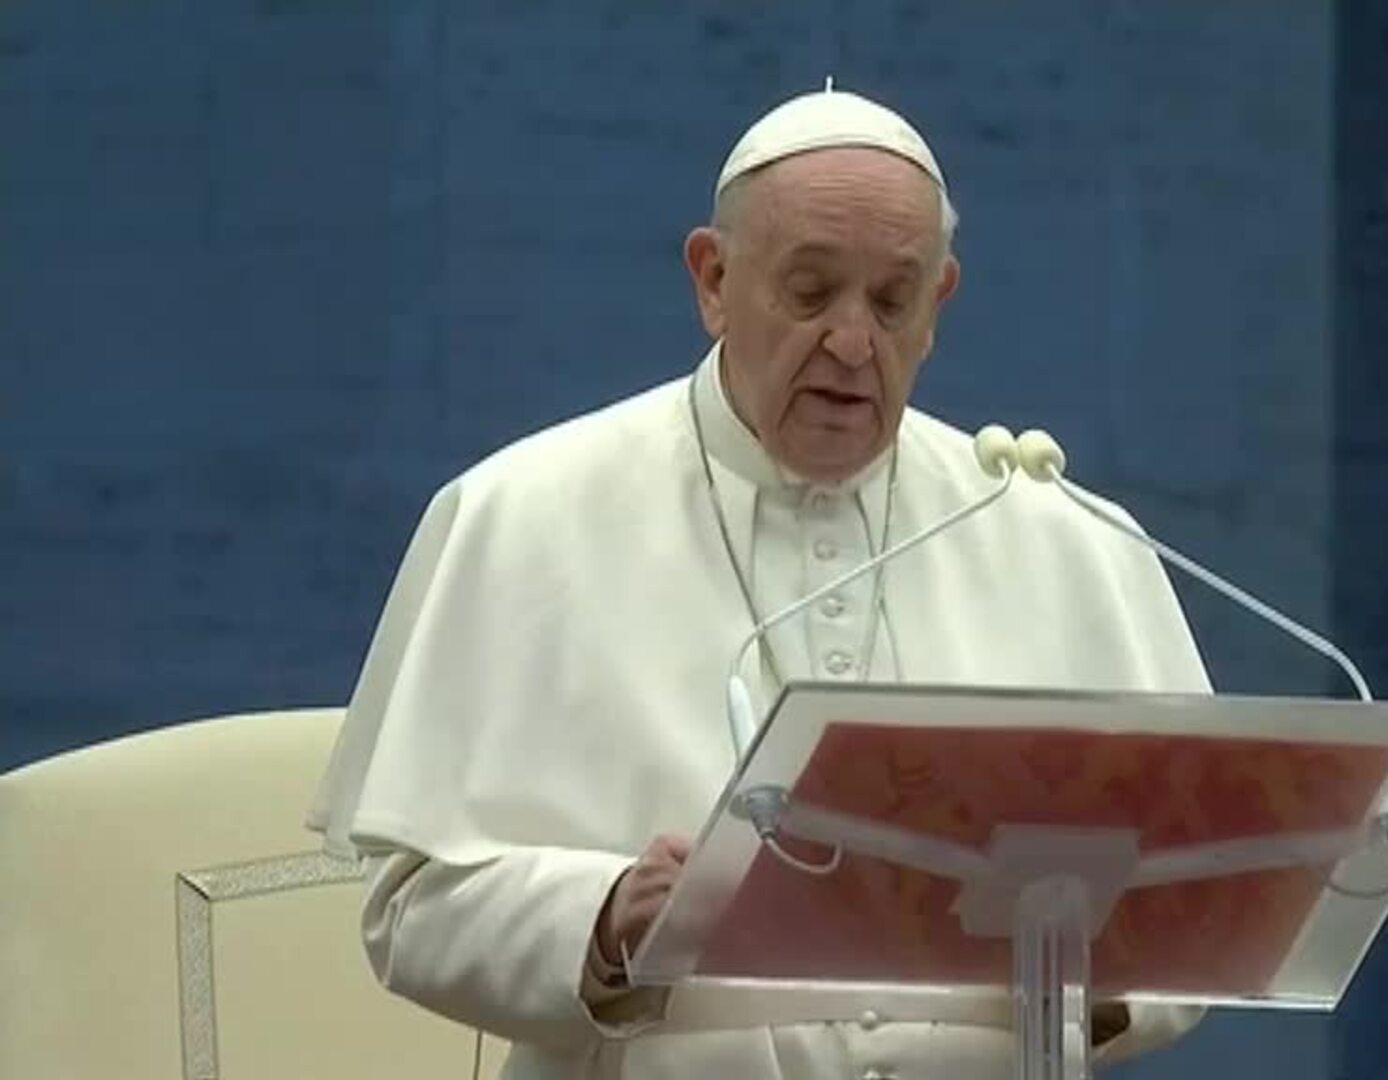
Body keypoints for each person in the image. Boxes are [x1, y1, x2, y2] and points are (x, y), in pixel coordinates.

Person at [309, 85, 1211, 1080]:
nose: (852, 342)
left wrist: (1098, 959)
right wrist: (605, 922)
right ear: (713, 279)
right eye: (812, 291)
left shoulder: (1057, 535)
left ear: (938, 305)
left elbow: (1208, 911)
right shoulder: (524, 514)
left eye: (891, 299)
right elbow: (410, 908)